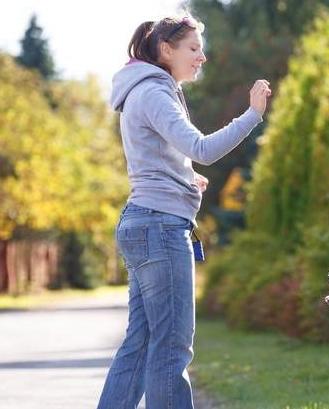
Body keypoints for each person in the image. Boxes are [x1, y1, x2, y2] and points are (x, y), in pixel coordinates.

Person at [97, 14, 271, 409]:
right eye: (193, 49)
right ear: (166, 50)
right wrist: (253, 114)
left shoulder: (143, 91)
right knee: (172, 348)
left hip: (145, 220)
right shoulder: (155, 93)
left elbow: (156, 157)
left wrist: (184, 179)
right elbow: (204, 149)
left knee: (140, 346)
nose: (202, 57)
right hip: (158, 226)